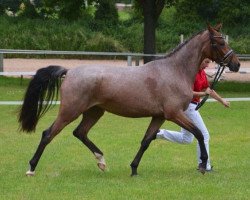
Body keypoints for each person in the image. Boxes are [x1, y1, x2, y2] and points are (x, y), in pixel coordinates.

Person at [156, 58, 230, 171]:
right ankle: (205, 165)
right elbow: (187, 92)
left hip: (192, 107)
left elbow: (208, 90)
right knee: (204, 135)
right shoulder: (191, 73)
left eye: (209, 62)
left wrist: (222, 101)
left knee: (187, 139)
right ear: (199, 60)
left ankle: (159, 133)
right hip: (188, 107)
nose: (207, 65)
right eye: (206, 62)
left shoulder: (201, 73)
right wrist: (202, 93)